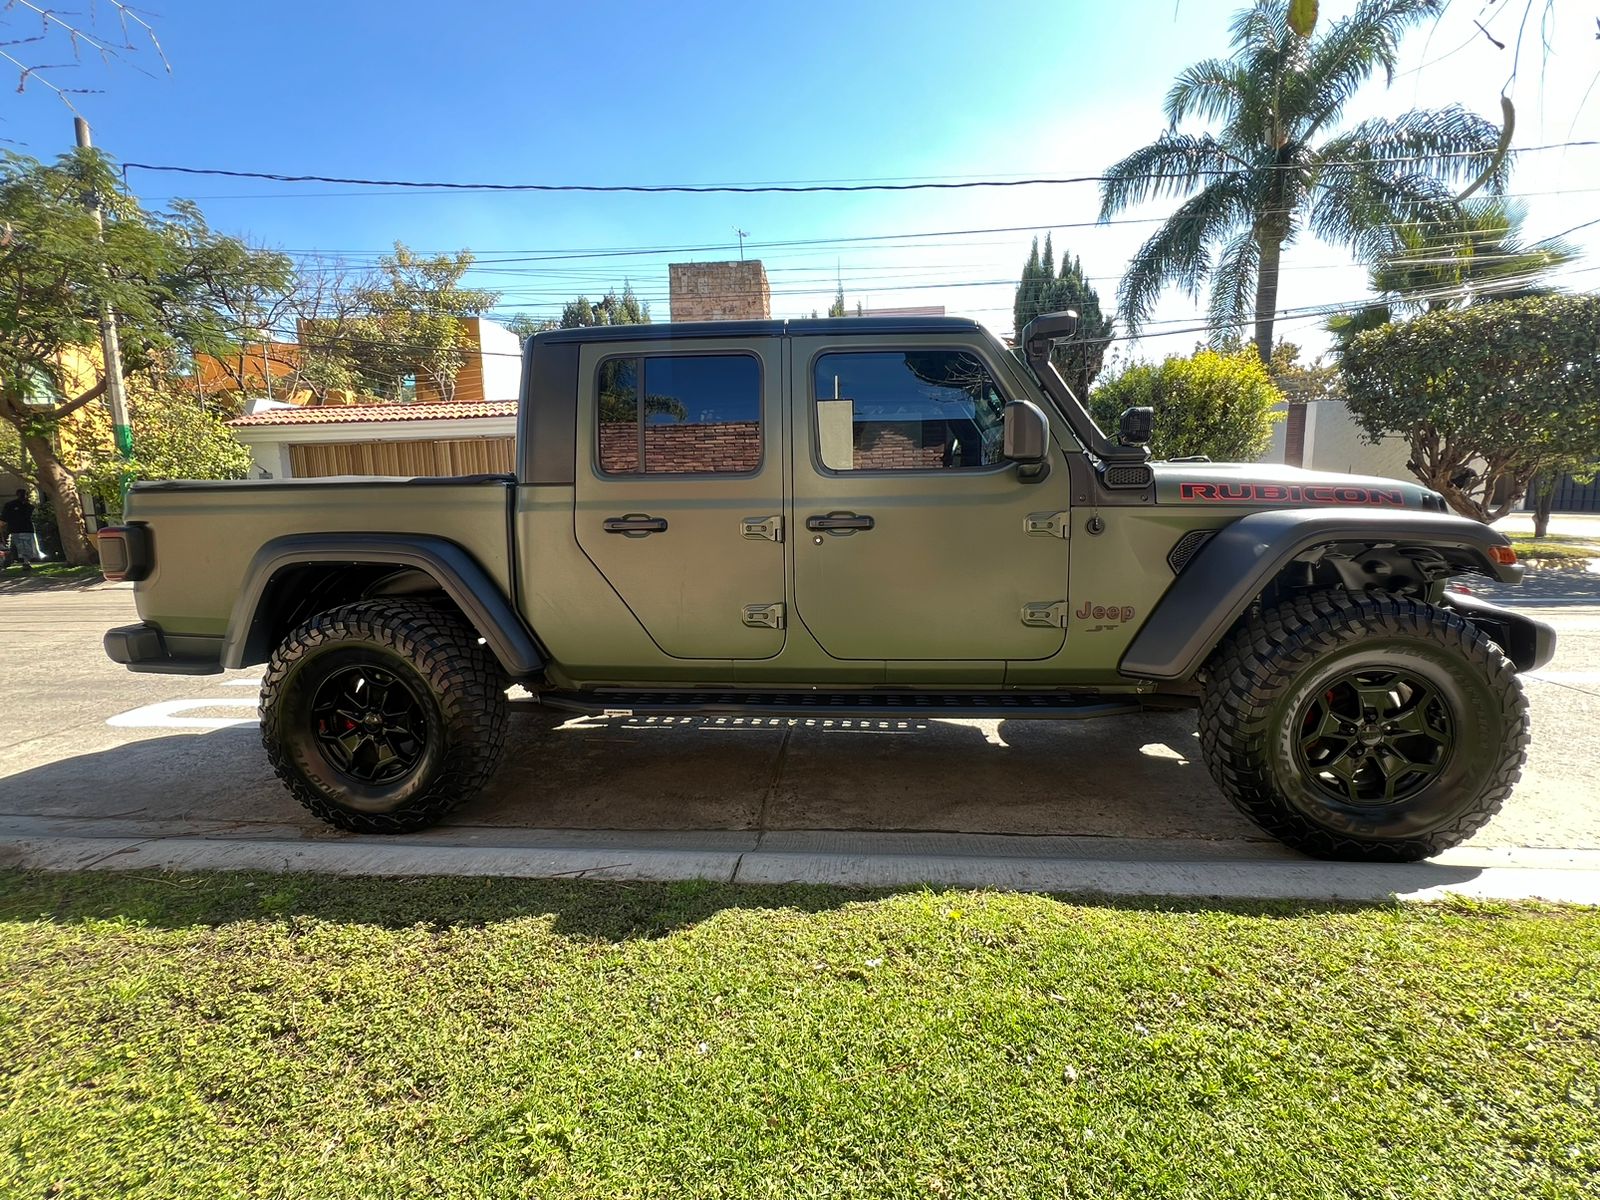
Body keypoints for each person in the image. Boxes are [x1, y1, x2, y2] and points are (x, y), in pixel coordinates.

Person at [1, 488, 39, 572]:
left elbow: (4, 519)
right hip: (26, 529)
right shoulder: (29, 506)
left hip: (15, 529)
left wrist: (3, 529)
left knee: (15, 547)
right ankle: (25, 562)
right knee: (26, 548)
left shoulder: (10, 505)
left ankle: (11, 561)